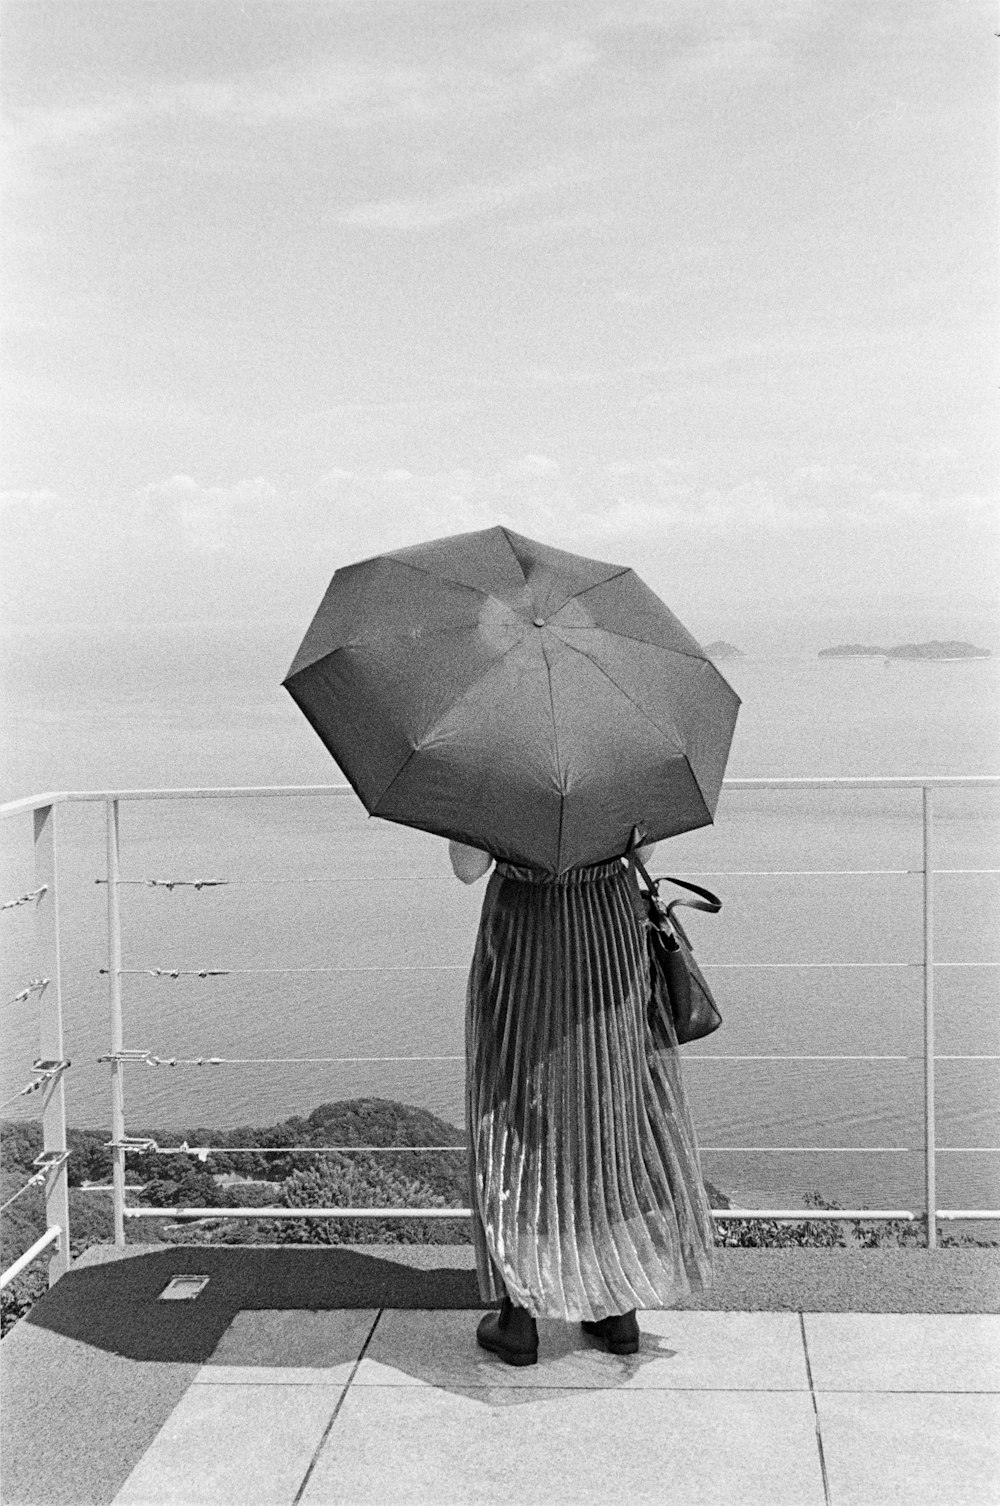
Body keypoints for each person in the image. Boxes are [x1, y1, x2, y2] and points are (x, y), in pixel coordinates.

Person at [449, 835, 715, 1366]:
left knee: (518, 1113)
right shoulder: (622, 752)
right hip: (607, 930)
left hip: (526, 934)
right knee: (611, 1105)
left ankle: (519, 1318)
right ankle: (618, 1309)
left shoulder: (492, 759)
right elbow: (645, 853)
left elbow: (467, 867)